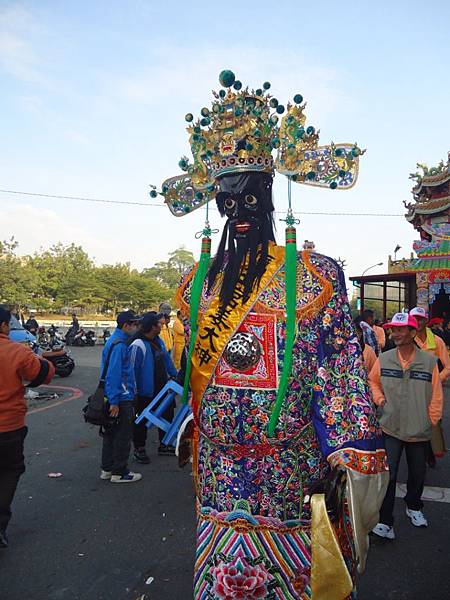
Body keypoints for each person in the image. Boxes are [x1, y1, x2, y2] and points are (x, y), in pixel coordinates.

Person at [160, 71, 388, 598]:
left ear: (271, 194)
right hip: (218, 469)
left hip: (290, 466)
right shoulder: (198, 283)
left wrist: (344, 455)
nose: (238, 212)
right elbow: (197, 366)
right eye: (226, 201)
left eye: (250, 196)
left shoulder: (315, 275)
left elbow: (339, 370)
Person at [369, 313, 443, 539]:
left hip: (419, 430)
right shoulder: (385, 358)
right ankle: (385, 521)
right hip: (390, 427)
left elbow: (436, 397)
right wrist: (380, 399)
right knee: (388, 476)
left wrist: (431, 422)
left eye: (402, 329)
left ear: (413, 333)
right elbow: (372, 381)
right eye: (393, 330)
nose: (396, 334)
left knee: (417, 474)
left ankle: (414, 507)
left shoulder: (429, 362)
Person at [0, 307, 55, 548]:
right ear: (4, 326)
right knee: (10, 471)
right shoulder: (16, 351)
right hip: (8, 426)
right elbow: (43, 374)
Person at [100, 310, 142, 483]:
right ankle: (120, 472)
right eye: (135, 324)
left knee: (110, 433)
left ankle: (107, 468)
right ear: (126, 325)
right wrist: (115, 401)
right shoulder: (120, 345)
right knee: (123, 435)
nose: (137, 327)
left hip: (113, 395)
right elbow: (114, 374)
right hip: (121, 397)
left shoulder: (114, 341)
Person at [130, 312, 178, 460]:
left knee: (167, 414)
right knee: (141, 421)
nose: (162, 324)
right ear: (152, 326)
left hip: (162, 388)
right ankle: (139, 449)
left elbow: (167, 361)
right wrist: (134, 392)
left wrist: (175, 376)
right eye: (159, 323)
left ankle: (165, 444)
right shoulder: (137, 344)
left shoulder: (158, 341)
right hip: (145, 391)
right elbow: (132, 370)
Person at [410, 306, 450, 463]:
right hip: (413, 391)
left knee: (434, 421)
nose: (418, 322)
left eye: (420, 319)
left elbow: (447, 366)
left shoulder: (437, 341)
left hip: (433, 391)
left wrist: (436, 380)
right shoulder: (408, 340)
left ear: (426, 320)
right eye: (414, 319)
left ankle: (432, 451)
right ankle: (421, 453)